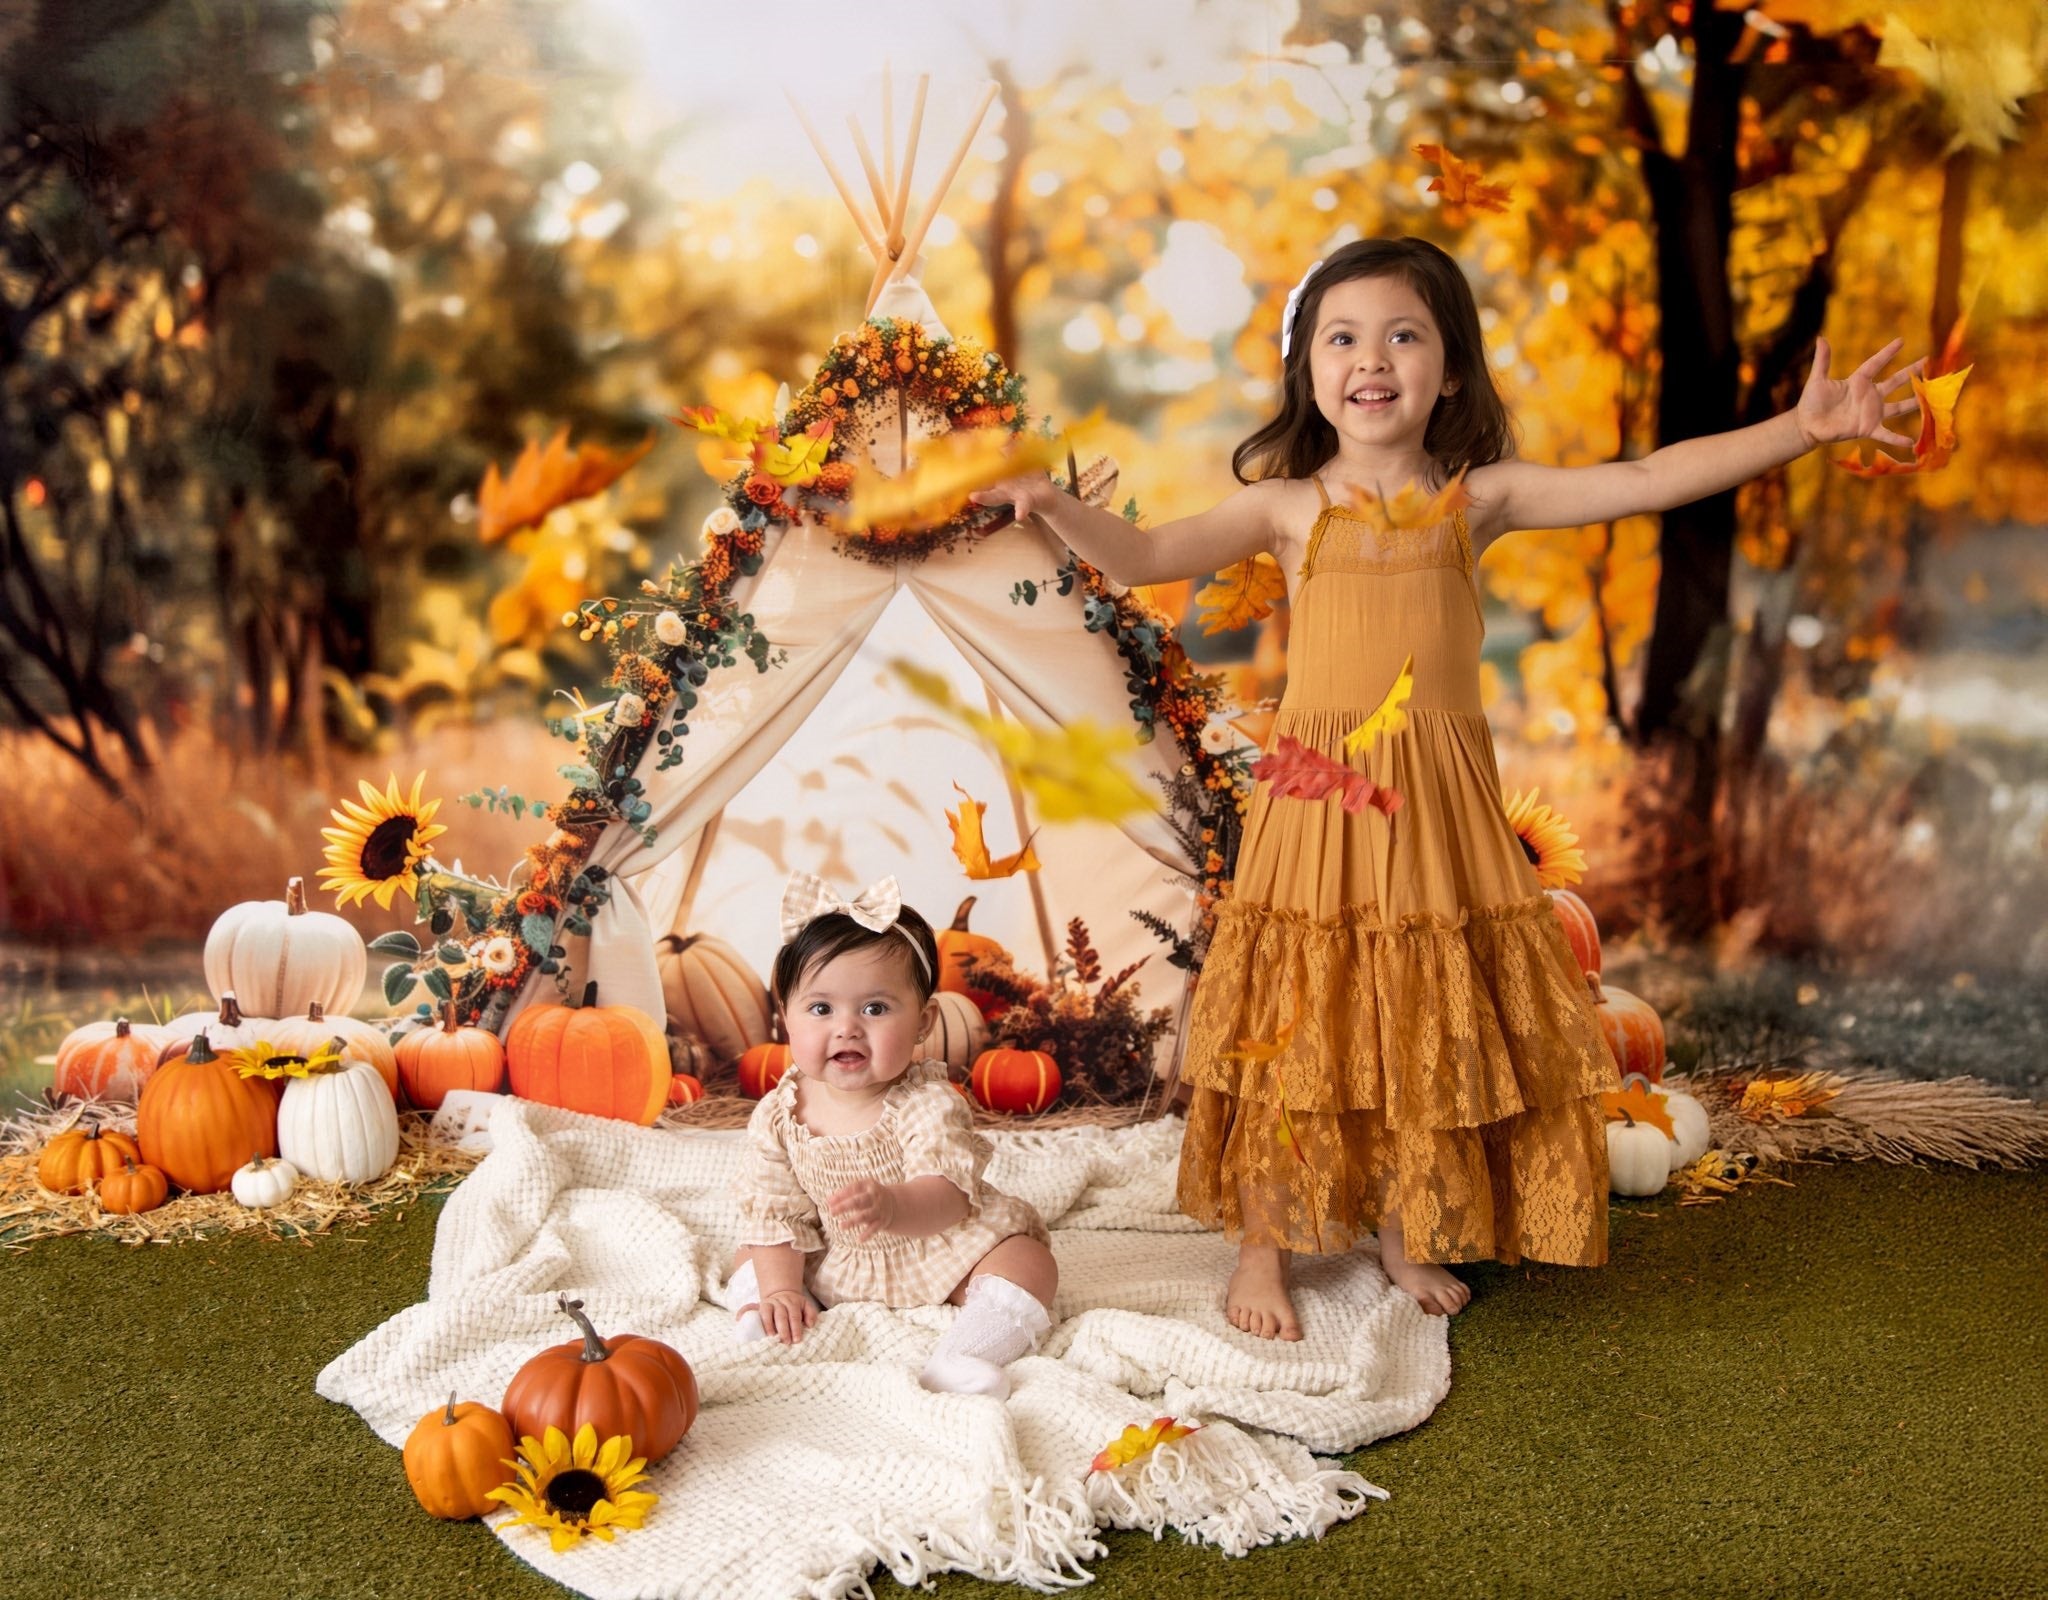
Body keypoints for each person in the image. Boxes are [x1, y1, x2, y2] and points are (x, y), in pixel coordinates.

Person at [972, 236, 1921, 1338]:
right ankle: (1262, 1251)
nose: (1369, 358)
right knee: (1302, 1015)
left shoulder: (1477, 499)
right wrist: (1047, 502)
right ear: (1308, 371)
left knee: (1425, 1011)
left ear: (1449, 369)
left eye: (1401, 334)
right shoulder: (1289, 506)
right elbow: (1140, 554)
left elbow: (1646, 478)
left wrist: (1800, 430)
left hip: (1437, 802)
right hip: (1321, 801)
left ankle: (1403, 1226)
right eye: (1341, 337)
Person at [728, 872, 1059, 1398]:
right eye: (821, 1008)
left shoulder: (928, 1101)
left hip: (937, 1247)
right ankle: (775, 1316)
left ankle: (964, 1356)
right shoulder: (779, 1114)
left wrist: (891, 1206)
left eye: (875, 1008)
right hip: (835, 1257)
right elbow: (775, 1211)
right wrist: (783, 1286)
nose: (847, 1027)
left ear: (924, 1022)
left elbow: (949, 1196)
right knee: (756, 1251)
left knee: (1029, 1262)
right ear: (785, 1019)